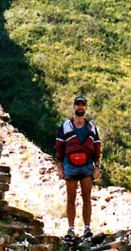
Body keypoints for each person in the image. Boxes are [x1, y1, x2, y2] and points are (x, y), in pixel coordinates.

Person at [55, 95, 101, 240]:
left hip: (87, 164)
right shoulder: (65, 126)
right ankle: (71, 229)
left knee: (87, 197)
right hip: (70, 164)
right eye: (78, 105)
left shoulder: (91, 126)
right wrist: (60, 166)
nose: (80, 107)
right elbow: (59, 147)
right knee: (71, 197)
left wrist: (97, 166)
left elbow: (97, 146)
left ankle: (87, 228)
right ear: (74, 107)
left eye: (83, 105)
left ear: (85, 107)